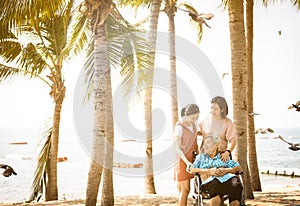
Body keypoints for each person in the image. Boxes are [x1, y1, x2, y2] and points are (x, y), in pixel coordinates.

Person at [189, 136, 243, 206]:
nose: (205, 146)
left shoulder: (222, 157)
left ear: (216, 145)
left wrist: (226, 170)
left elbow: (239, 168)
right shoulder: (201, 158)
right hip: (211, 182)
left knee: (236, 184)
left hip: (228, 180)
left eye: (208, 143)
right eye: (204, 144)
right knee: (216, 184)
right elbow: (192, 170)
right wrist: (209, 171)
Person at [173, 104, 200, 206]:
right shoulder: (179, 128)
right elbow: (177, 148)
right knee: (185, 190)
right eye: (193, 118)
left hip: (193, 159)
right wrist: (187, 162)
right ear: (186, 114)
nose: (194, 120)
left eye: (196, 118)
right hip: (182, 161)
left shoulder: (193, 125)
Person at [199, 96, 237, 162]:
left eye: (215, 109)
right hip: (204, 155)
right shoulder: (206, 120)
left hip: (220, 156)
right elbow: (199, 132)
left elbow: (233, 141)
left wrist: (228, 152)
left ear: (222, 109)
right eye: (211, 108)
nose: (212, 111)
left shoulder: (228, 123)